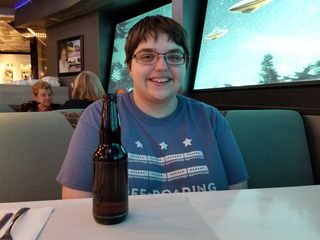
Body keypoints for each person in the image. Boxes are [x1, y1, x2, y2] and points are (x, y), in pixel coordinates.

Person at [57, 15, 249, 199]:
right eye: (147, 56)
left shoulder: (211, 118)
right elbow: (76, 205)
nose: (161, 66)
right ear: (129, 67)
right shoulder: (99, 116)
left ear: (186, 64)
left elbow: (238, 198)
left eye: (174, 56)